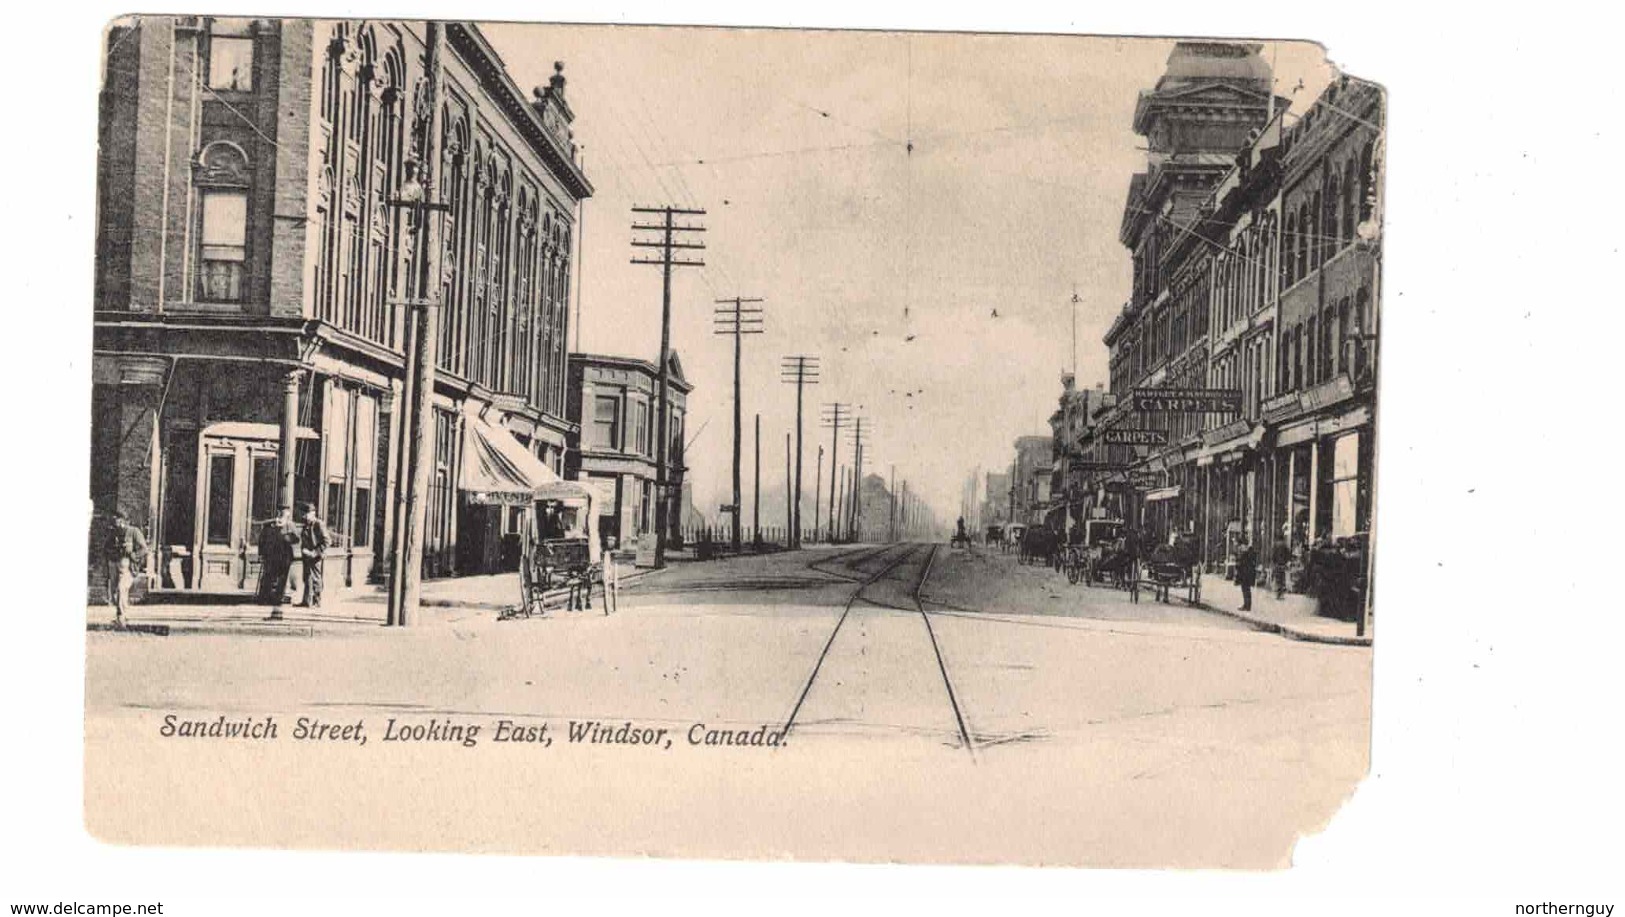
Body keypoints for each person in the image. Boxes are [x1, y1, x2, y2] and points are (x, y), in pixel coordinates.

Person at [102, 509, 147, 628]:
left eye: (119, 520)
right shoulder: (113, 533)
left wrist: (133, 554)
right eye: (115, 521)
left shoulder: (134, 532)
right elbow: (106, 548)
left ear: (125, 521)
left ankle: (122, 617)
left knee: (122, 589)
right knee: (116, 592)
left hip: (128, 567)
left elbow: (144, 549)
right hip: (114, 564)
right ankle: (121, 616)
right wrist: (113, 551)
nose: (117, 523)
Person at [258, 508, 297, 619]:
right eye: (279, 515)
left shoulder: (290, 526)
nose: (280, 518)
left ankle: (278, 599)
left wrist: (288, 538)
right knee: (268, 576)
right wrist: (261, 554)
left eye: (283, 515)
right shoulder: (269, 525)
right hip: (271, 556)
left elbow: (296, 538)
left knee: (282, 580)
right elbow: (262, 539)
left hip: (285, 557)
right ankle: (264, 598)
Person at [297, 502, 330, 609]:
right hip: (306, 556)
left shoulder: (318, 524)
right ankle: (306, 601)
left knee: (316, 578)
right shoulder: (306, 525)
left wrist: (314, 553)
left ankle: (317, 601)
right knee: (307, 577)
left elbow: (327, 541)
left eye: (307, 514)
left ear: (313, 513)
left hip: (315, 557)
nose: (304, 516)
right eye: (304, 514)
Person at [1235, 537, 1259, 612]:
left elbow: (1239, 562)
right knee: (1247, 589)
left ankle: (1246, 605)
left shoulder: (1242, 550)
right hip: (1249, 573)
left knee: (1245, 589)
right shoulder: (1249, 550)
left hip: (1243, 573)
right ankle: (1247, 605)